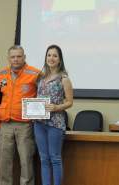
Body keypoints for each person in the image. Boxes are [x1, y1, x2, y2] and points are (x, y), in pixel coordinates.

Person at [0, 45, 40, 185]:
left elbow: (44, 95)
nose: (15, 59)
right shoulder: (1, 74)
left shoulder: (35, 74)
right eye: (13, 57)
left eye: (19, 56)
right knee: (4, 160)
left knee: (26, 160)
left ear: (24, 57)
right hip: (5, 124)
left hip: (25, 125)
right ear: (8, 58)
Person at [34, 45, 73, 185]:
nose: (51, 58)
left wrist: (57, 107)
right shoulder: (41, 77)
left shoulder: (64, 78)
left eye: (55, 56)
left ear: (60, 59)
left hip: (55, 123)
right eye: (49, 55)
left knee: (55, 158)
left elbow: (69, 102)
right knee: (43, 159)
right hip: (39, 123)